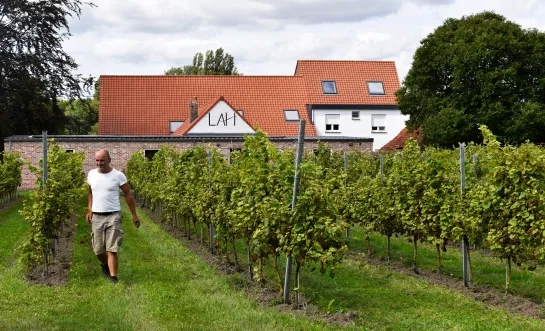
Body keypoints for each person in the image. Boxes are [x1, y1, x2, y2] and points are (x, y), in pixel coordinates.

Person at [85, 149, 140, 283]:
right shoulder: (91, 174)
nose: (99, 163)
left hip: (113, 216)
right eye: (97, 160)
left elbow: (128, 194)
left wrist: (134, 215)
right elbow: (90, 193)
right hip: (97, 216)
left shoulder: (118, 176)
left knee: (112, 248)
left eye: (102, 160)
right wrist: (90, 209)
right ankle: (105, 265)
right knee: (98, 250)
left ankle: (113, 277)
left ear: (109, 160)